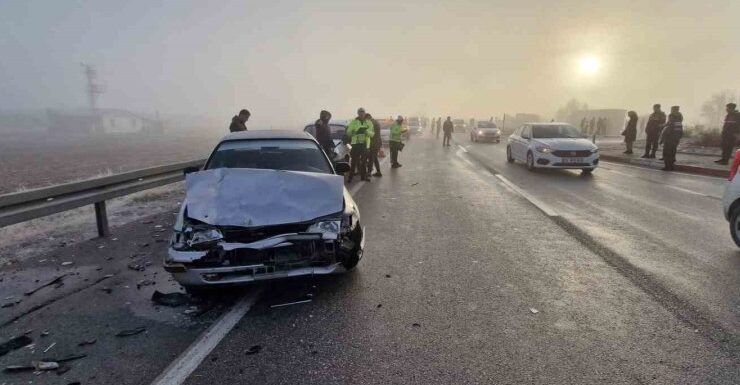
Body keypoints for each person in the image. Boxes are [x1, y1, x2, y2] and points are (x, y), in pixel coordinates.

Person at [346, 108, 374, 183]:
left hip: (365, 145)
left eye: (363, 112)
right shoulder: (353, 122)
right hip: (356, 144)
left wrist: (366, 131)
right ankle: (350, 178)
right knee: (354, 162)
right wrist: (356, 132)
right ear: (358, 113)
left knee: (364, 162)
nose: (361, 113)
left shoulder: (369, 123)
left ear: (365, 113)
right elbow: (348, 133)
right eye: (360, 112)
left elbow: (372, 134)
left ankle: (363, 177)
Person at [660, 106, 683, 171]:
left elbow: (669, 125)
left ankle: (667, 167)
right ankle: (672, 166)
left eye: (671, 109)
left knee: (667, 151)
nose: (671, 110)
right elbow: (679, 127)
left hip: (670, 136)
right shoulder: (680, 117)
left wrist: (662, 126)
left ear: (673, 110)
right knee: (673, 151)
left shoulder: (671, 115)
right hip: (677, 136)